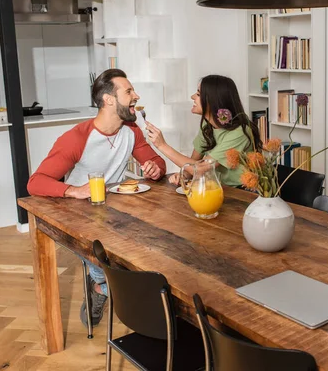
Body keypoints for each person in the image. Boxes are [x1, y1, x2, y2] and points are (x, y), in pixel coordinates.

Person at [27, 68, 166, 327]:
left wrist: (155, 168)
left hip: (117, 210)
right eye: (129, 91)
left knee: (154, 242)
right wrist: (74, 190)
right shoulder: (77, 138)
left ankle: (112, 287)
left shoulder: (131, 130)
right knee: (105, 255)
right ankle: (101, 285)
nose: (136, 95)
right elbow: (36, 182)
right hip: (80, 217)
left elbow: (156, 162)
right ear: (108, 100)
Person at [145, 74, 261, 186]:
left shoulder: (239, 132)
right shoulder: (208, 125)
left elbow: (200, 169)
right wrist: (184, 175)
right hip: (218, 188)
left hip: (242, 193)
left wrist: (162, 146)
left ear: (213, 100)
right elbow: (194, 163)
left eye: (198, 94)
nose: (192, 97)